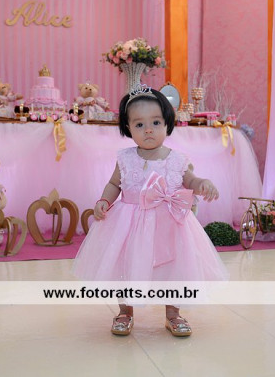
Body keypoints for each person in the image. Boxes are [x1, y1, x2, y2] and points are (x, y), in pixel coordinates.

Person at [73, 85, 229, 337]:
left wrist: (202, 183)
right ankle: (125, 311)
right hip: (129, 222)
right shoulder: (125, 158)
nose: (148, 129)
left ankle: (173, 314)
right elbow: (114, 184)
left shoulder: (177, 159)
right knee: (125, 264)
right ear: (128, 128)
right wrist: (104, 200)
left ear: (167, 123)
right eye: (139, 124)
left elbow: (190, 180)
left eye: (156, 122)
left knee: (175, 266)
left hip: (168, 224)